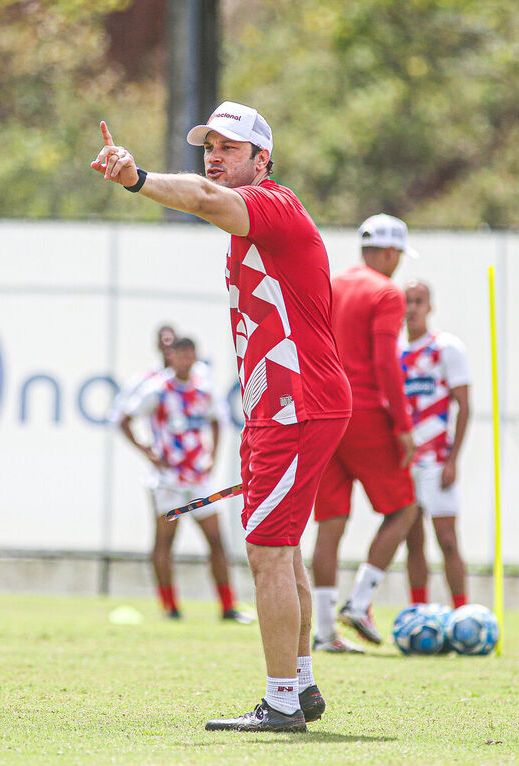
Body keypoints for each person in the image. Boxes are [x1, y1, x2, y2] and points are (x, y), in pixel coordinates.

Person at [92, 100, 351, 732]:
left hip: (296, 408)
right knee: (282, 548)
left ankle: (283, 699)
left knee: (265, 550)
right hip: (285, 408)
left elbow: (205, 198)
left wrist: (138, 179)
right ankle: (302, 686)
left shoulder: (273, 204)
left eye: (231, 146)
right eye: (210, 145)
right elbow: (211, 197)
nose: (215, 155)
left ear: (264, 159)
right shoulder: (252, 220)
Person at [311, 213, 417, 648]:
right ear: (390, 252)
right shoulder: (386, 291)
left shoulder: (331, 283)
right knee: (405, 508)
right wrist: (403, 424)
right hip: (367, 413)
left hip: (325, 412)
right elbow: (385, 362)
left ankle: (322, 631)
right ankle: (359, 601)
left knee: (330, 523)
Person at [119, 336, 249, 623]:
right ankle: (170, 607)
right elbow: (124, 420)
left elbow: (217, 420)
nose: (186, 360)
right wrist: (148, 454)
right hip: (167, 479)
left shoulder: (203, 388)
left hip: (197, 478)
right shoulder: (158, 390)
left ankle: (228, 606)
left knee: (216, 539)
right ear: (172, 357)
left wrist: (213, 455)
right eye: (181, 354)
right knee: (165, 542)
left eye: (191, 354)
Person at [399, 280, 471, 608]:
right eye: (407, 302)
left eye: (418, 301)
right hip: (404, 463)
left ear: (430, 306)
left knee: (448, 541)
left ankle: (462, 612)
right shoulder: (394, 351)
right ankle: (419, 611)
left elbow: (464, 405)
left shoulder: (446, 348)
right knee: (413, 542)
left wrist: (453, 459)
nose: (411, 308)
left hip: (438, 460)